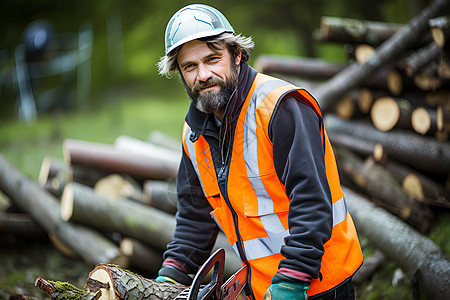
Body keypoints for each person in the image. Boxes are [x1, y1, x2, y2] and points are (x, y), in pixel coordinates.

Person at [155, 4, 363, 300]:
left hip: (317, 284)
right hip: (264, 289)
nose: (203, 75)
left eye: (213, 59)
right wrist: (168, 277)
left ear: (237, 55)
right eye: (190, 66)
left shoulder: (281, 108)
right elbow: (194, 216)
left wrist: (293, 279)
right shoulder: (194, 133)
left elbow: (312, 200)